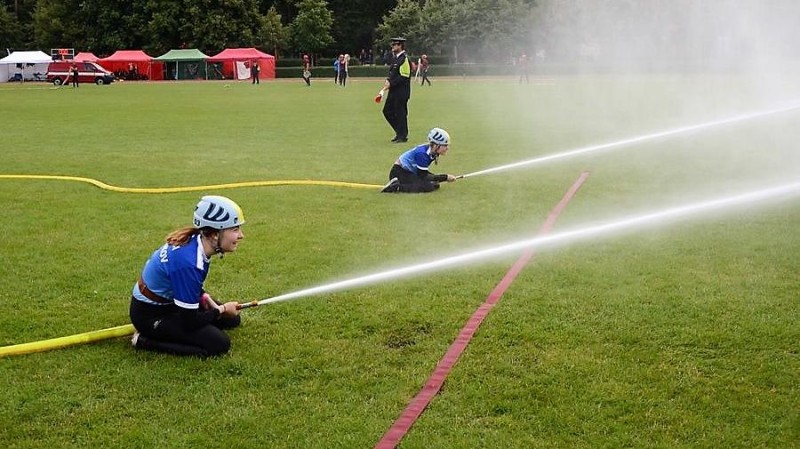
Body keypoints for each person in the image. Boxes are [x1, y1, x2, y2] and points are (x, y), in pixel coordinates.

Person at [129, 195, 245, 357]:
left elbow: (187, 285)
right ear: (214, 234)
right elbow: (189, 321)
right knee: (218, 344)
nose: (241, 235)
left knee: (232, 320)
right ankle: (144, 340)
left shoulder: (197, 242)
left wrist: (205, 299)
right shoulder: (189, 262)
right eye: (235, 229)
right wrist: (222, 309)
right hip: (150, 314)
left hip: (170, 302)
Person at [381, 127, 456, 193]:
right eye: (445, 145)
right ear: (436, 145)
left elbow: (423, 173)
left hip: (409, 172)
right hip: (399, 172)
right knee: (427, 187)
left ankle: (397, 185)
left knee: (435, 184)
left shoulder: (432, 152)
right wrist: (445, 177)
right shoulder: (422, 154)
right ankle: (396, 187)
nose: (447, 148)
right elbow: (423, 175)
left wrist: (441, 178)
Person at [376, 37, 411, 143]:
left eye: (395, 44)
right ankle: (400, 132)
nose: (393, 46)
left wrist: (391, 83)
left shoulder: (404, 59)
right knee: (387, 111)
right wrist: (388, 80)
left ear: (400, 46)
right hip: (393, 91)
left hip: (401, 92)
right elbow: (393, 73)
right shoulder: (395, 58)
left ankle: (402, 135)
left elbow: (404, 76)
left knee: (400, 113)